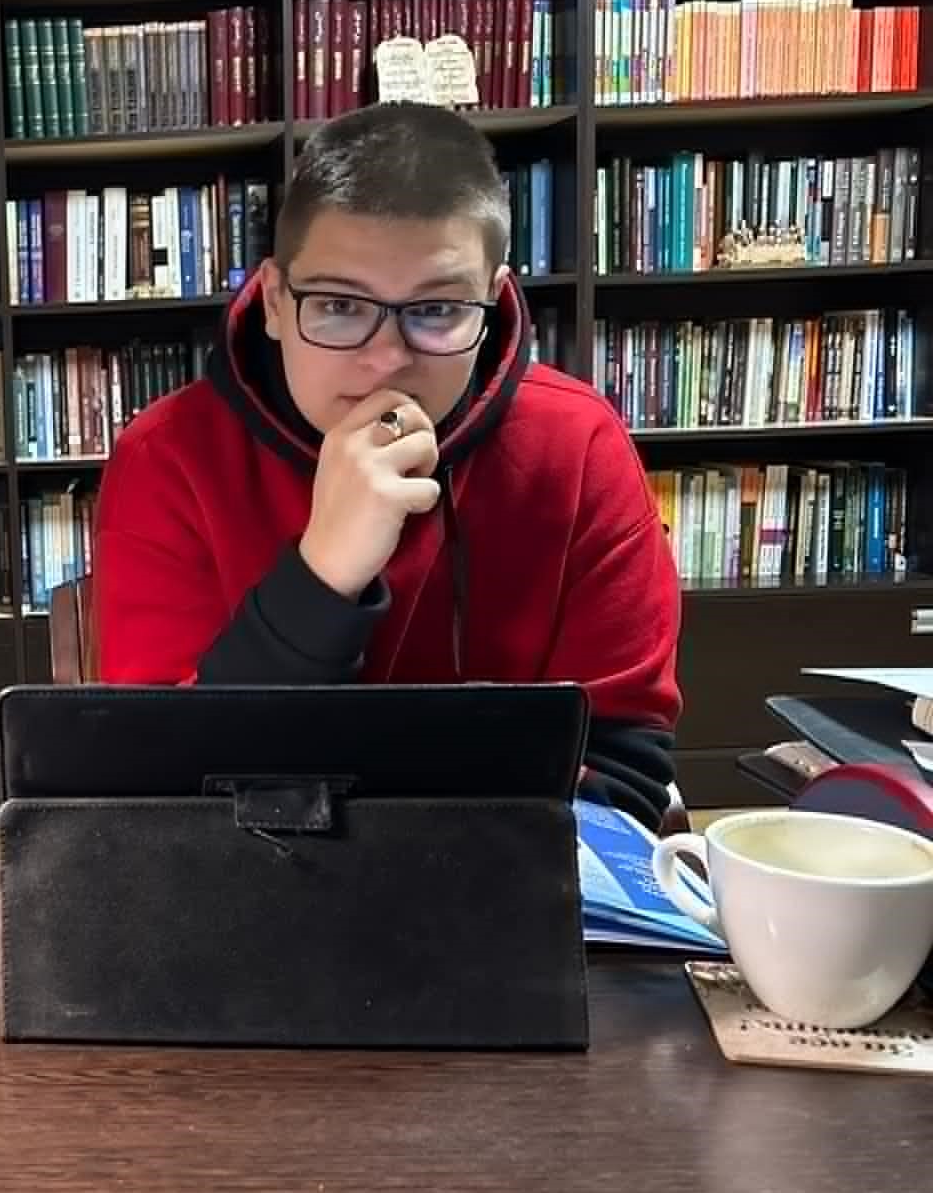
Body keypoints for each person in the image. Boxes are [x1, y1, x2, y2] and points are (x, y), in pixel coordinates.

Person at [93, 102, 682, 828]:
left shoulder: (580, 444)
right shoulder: (166, 455)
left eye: (436, 311)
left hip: (501, 891)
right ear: (276, 301)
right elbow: (161, 778)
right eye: (339, 304)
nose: (386, 359)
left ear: (492, 301)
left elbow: (625, 765)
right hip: (248, 889)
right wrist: (323, 576)